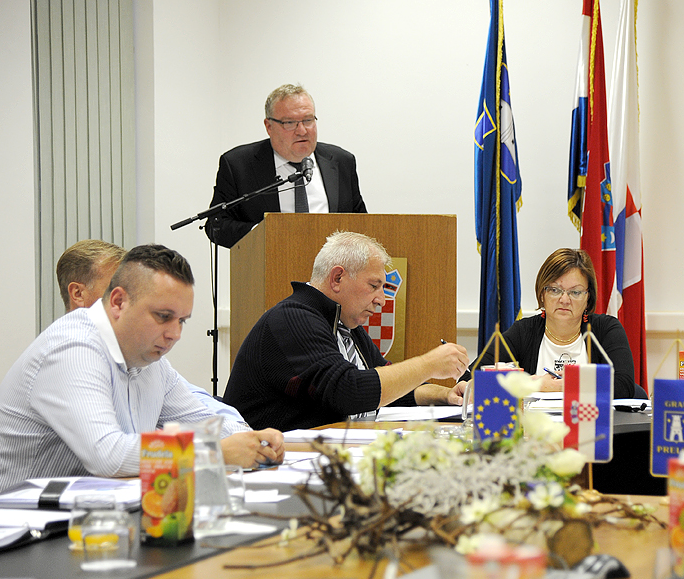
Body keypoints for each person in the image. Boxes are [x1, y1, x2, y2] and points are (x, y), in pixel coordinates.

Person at [0, 244, 284, 498]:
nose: (175, 334)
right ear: (118, 302)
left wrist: (255, 442)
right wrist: (213, 452)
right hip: (17, 527)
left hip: (93, 514)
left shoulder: (149, 360)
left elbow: (205, 421)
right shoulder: (73, 348)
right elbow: (108, 455)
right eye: (163, 316)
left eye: (182, 320)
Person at [223, 231, 469, 430]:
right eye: (374, 286)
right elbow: (349, 392)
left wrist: (445, 395)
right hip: (273, 463)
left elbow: (387, 385)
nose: (382, 300)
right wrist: (428, 364)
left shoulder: (344, 323)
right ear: (337, 278)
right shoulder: (292, 318)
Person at [55, 239, 245, 421]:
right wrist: (207, 444)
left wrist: (246, 435)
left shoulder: (142, 355)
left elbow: (198, 409)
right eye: (114, 289)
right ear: (78, 294)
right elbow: (111, 443)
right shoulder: (70, 357)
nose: (175, 335)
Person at [465, 248, 641, 399]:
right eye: (555, 290)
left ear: (588, 298)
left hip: (590, 424)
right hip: (534, 427)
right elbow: (471, 378)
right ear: (542, 294)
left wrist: (565, 385)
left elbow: (624, 385)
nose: (564, 299)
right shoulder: (523, 331)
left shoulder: (606, 330)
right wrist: (535, 384)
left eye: (575, 292)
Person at [205, 84, 366, 248]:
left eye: (308, 120)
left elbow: (361, 222)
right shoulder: (238, 165)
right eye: (289, 122)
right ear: (269, 126)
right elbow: (216, 225)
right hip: (269, 260)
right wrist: (259, 234)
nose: (302, 131)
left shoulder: (342, 162)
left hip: (332, 263)